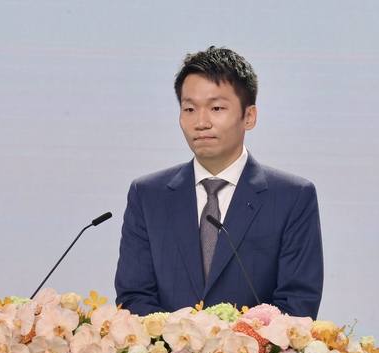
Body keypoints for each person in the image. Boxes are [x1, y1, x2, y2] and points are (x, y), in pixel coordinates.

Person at [114, 46, 323, 318]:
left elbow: (298, 302)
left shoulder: (292, 197)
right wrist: (183, 349)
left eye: (216, 108)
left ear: (249, 116)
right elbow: (134, 296)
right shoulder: (148, 195)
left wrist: (230, 350)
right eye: (189, 108)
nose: (201, 122)